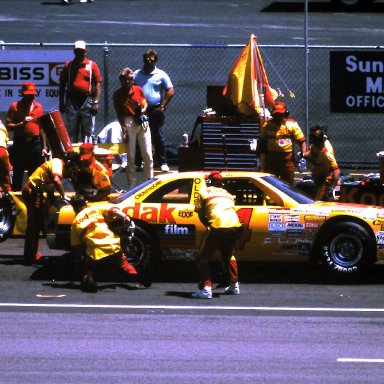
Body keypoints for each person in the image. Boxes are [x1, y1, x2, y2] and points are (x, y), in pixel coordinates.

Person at [22, 152, 80, 265]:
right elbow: (56, 180)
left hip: (37, 192)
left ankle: (31, 254)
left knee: (37, 225)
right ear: (69, 163)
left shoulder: (56, 168)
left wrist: (54, 201)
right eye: (74, 166)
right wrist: (63, 195)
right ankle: (30, 257)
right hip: (32, 192)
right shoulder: (57, 163)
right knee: (34, 226)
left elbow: (49, 186)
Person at [192, 171, 243, 299]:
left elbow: (200, 213)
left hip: (218, 225)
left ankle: (207, 289)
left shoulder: (203, 192)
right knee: (229, 255)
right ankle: (234, 285)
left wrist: (209, 226)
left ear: (209, 182)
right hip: (234, 226)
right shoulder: (228, 194)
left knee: (202, 258)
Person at [70, 199, 137, 292]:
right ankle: (135, 275)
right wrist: (125, 216)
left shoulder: (74, 223)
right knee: (123, 263)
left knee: (88, 267)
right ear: (85, 204)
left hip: (96, 251)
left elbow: (76, 246)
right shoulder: (95, 209)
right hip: (112, 244)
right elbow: (114, 210)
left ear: (73, 208)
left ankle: (90, 279)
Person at [134, 49, 174, 172]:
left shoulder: (161, 74)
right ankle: (138, 162)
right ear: (143, 59)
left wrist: (162, 106)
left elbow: (170, 90)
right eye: (147, 59)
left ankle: (162, 162)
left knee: (158, 136)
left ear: (155, 60)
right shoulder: (136, 74)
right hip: (140, 110)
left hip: (156, 109)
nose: (149, 61)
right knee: (139, 135)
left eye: (152, 59)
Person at [113, 67, 153, 188]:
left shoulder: (138, 89)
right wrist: (124, 129)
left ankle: (149, 181)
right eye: (125, 79)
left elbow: (145, 102)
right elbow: (119, 113)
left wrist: (143, 108)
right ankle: (132, 184)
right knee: (131, 155)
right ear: (121, 80)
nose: (127, 82)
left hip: (141, 120)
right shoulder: (118, 94)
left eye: (130, 79)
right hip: (129, 121)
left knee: (147, 153)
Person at [6, 82, 48, 191]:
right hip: (20, 142)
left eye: (32, 95)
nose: (30, 97)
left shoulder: (39, 107)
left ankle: (32, 196)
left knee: (34, 172)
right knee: (18, 171)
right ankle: (15, 197)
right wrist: (21, 123)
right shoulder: (15, 106)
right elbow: (9, 126)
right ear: (23, 94)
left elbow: (42, 127)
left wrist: (44, 146)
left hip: (36, 142)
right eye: (28, 95)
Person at [59, 40, 102, 143]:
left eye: (81, 51)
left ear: (85, 52)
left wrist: (95, 102)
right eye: (77, 51)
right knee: (71, 130)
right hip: (72, 101)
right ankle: (72, 155)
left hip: (87, 100)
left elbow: (98, 84)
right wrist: (61, 102)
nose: (79, 53)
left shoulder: (92, 65)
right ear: (74, 51)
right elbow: (62, 84)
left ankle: (87, 154)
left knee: (88, 131)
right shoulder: (68, 65)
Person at [257, 102, 307, 184]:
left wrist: (303, 157)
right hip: (271, 158)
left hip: (287, 158)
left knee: (288, 183)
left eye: (280, 114)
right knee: (271, 182)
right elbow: (261, 143)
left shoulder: (292, 124)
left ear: (285, 114)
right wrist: (260, 159)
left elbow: (302, 141)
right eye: (276, 114)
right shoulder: (267, 125)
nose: (278, 116)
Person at [304, 126, 340, 201]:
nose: (311, 139)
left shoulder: (327, 153)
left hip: (324, 180)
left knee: (318, 201)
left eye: (314, 137)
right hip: (317, 177)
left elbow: (336, 171)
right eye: (311, 136)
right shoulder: (314, 145)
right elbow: (311, 153)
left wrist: (332, 187)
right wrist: (304, 155)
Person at [0, 120, 11, 193]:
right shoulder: (3, 127)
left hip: (2, 150)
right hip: (3, 150)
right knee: (5, 176)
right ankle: (8, 193)